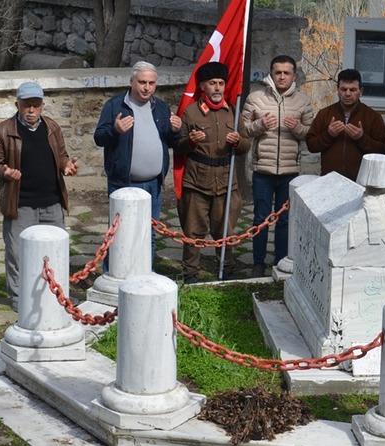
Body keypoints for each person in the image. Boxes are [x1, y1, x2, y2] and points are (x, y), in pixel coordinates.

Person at [0, 81, 78, 311]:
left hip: (52, 202)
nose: (31, 110)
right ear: (18, 104)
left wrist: (66, 165)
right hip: (20, 203)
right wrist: (5, 172)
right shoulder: (4, 131)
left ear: (42, 106)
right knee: (17, 253)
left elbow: (62, 155)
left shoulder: (52, 128)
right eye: (27, 105)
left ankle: (54, 293)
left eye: (36, 105)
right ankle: (18, 298)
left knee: (54, 251)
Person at [94, 61, 182, 261]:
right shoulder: (115, 105)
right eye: (142, 82)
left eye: (151, 83)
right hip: (123, 183)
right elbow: (99, 138)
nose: (147, 87)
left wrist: (176, 131)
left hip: (153, 184)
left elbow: (170, 141)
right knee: (119, 234)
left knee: (148, 234)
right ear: (132, 82)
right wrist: (114, 130)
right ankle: (113, 275)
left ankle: (145, 276)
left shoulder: (160, 107)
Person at [175, 62, 250, 283]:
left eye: (221, 83)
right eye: (212, 84)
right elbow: (177, 148)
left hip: (226, 182)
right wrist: (189, 141)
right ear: (202, 87)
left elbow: (246, 145)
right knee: (193, 233)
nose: (217, 88)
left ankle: (226, 273)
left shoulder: (233, 112)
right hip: (197, 182)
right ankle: (190, 276)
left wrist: (238, 142)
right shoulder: (190, 113)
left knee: (225, 232)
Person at [241, 55, 313, 277]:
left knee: (285, 220)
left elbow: (311, 134)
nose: (282, 76)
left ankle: (282, 260)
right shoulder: (255, 98)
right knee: (260, 218)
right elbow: (243, 130)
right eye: (278, 72)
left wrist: (298, 129)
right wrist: (259, 125)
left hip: (290, 172)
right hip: (263, 169)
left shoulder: (302, 101)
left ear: (294, 75)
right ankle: (258, 262)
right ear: (271, 74)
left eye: (286, 73)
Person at [306, 68, 385, 181]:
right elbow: (311, 146)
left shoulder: (373, 117)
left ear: (361, 91)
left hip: (360, 181)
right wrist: (328, 135)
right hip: (329, 181)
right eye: (343, 89)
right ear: (337, 90)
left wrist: (361, 138)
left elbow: (382, 150)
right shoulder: (324, 114)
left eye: (352, 90)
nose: (347, 94)